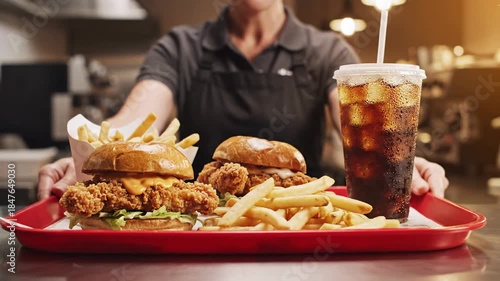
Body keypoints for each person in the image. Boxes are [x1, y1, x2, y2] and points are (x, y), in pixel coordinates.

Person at [38, 0, 449, 200]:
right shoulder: (180, 47)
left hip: (299, 234)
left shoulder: (329, 52)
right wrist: (88, 153)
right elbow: (136, 118)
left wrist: (403, 166)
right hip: (204, 231)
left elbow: (364, 132)